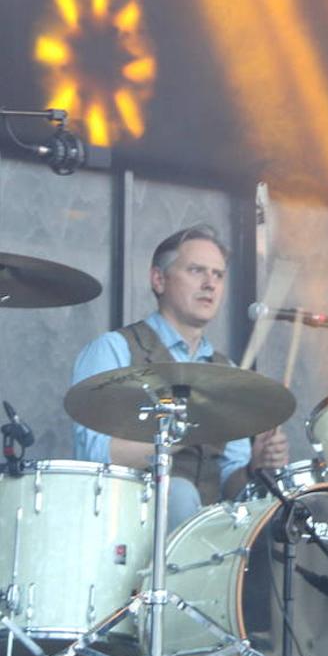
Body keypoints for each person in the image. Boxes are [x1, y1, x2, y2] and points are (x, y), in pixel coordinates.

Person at [71, 225, 289, 529]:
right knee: (180, 493)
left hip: (210, 534)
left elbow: (232, 484)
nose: (210, 284)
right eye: (197, 270)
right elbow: (96, 456)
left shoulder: (228, 373)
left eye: (218, 275)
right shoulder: (115, 350)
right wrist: (184, 430)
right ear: (159, 279)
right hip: (127, 526)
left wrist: (255, 466)